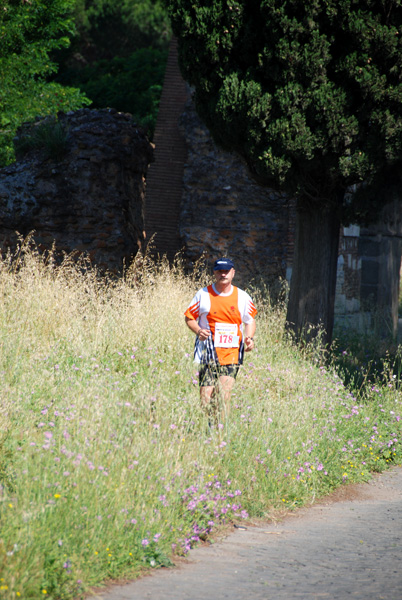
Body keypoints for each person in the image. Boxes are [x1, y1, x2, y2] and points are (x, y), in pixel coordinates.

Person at [184, 257, 257, 424]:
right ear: (214, 273)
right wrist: (198, 330)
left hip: (231, 351)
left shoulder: (242, 297)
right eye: (219, 271)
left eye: (226, 271)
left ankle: (220, 432)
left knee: (223, 394)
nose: (223, 274)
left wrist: (250, 338)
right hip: (207, 351)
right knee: (206, 398)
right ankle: (210, 427)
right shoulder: (203, 294)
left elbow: (250, 320)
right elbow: (189, 317)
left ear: (233, 273)